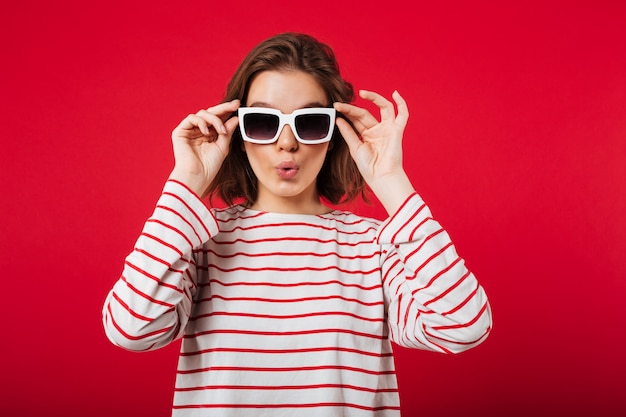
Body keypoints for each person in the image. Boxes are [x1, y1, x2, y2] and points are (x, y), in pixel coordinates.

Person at [102, 32, 492, 417]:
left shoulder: (374, 247)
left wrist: (391, 181)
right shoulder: (199, 242)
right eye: (261, 122)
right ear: (237, 134)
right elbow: (132, 329)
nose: (286, 142)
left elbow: (463, 325)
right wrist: (184, 185)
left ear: (334, 135)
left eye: (308, 123)